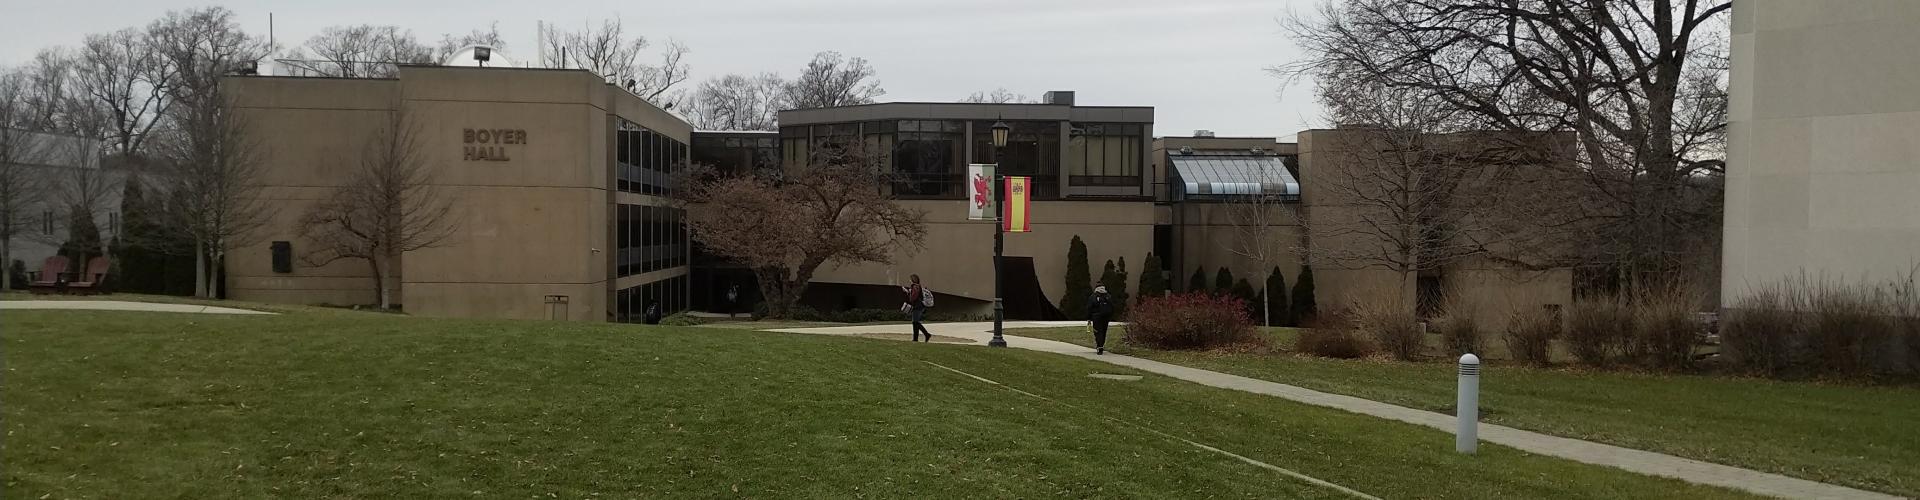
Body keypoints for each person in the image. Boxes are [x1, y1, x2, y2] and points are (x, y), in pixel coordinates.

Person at [902, 274, 933, 342]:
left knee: (915, 322)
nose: (909, 281)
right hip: (919, 306)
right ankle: (916, 338)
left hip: (917, 306)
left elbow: (914, 296)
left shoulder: (915, 286)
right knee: (915, 322)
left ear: (913, 280)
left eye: (910, 279)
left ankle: (926, 334)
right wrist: (908, 292)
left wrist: (909, 295)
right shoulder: (918, 286)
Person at [1089, 285, 1114, 354]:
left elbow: (1089, 307)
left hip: (1096, 317)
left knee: (1097, 331)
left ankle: (1099, 346)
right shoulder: (1108, 296)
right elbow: (1112, 306)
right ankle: (1101, 345)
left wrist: (1089, 318)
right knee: (1103, 331)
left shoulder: (1093, 296)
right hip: (1106, 317)